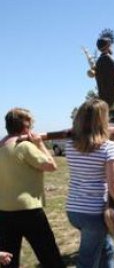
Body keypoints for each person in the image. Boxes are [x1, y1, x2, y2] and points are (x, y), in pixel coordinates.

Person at [65, 99, 114, 268]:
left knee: (107, 249)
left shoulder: (70, 145)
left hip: (74, 209)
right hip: (94, 213)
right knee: (88, 261)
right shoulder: (107, 147)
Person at [0, 108, 65, 268]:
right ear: (26, 127)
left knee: (8, 260)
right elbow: (51, 166)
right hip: (29, 211)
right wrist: (40, 144)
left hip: (4, 211)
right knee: (50, 257)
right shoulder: (24, 147)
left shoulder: (1, 146)